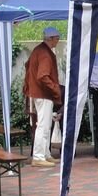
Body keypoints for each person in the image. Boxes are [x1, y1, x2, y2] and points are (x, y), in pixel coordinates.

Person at [23, 26, 62, 167]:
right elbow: (43, 75)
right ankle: (39, 156)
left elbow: (28, 67)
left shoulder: (38, 50)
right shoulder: (45, 53)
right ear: (50, 39)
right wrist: (55, 89)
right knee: (43, 126)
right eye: (57, 38)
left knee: (44, 125)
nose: (58, 41)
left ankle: (45, 154)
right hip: (43, 93)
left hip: (37, 92)